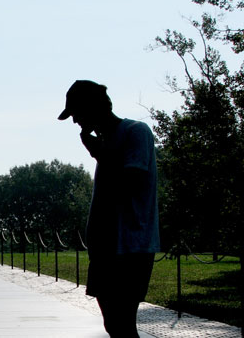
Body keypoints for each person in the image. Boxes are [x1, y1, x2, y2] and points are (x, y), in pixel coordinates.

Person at [58, 80, 160, 337]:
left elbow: (130, 184)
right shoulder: (107, 142)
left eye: (77, 113)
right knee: (113, 325)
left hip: (130, 247)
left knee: (124, 323)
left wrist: (98, 152)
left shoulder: (135, 132)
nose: (75, 122)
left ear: (94, 108)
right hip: (105, 248)